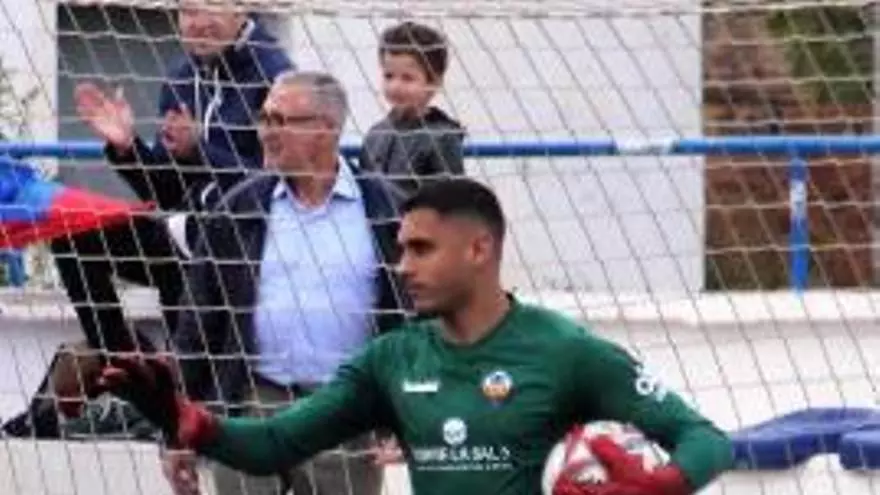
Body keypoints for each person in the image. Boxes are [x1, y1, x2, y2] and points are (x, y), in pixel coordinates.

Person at [93, 178, 734, 495]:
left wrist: (669, 482)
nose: (402, 266)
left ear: (479, 249)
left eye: (422, 249)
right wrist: (191, 421)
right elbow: (275, 443)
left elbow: (706, 437)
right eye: (401, 249)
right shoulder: (392, 358)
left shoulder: (564, 350)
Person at [1, 3, 294, 439]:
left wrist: (200, 150)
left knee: (192, 273)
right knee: (76, 234)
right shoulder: (180, 76)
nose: (197, 22)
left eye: (210, 8)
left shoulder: (276, 76)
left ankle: (179, 402)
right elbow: (168, 192)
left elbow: (276, 184)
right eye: (187, 10)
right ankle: (127, 375)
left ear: (240, 9)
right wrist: (127, 148)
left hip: (244, 246)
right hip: (186, 234)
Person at [166, 70, 404, 495]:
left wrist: (408, 416)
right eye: (264, 119)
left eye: (281, 120)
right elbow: (198, 323)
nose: (266, 132)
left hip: (346, 412)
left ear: (327, 128)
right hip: (254, 404)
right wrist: (177, 430)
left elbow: (416, 320)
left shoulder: (386, 209)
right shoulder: (238, 208)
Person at [359, 21, 465, 195]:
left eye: (407, 78)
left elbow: (451, 199)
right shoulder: (375, 134)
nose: (395, 86)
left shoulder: (441, 138)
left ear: (434, 82)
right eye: (389, 76)